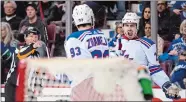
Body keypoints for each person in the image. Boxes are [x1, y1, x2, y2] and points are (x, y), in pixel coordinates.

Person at [115, 12, 181, 99]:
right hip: (121, 90)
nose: (129, 28)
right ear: (123, 27)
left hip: (140, 89)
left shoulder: (147, 44)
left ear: (137, 27)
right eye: (127, 25)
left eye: (132, 25)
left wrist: (167, 85)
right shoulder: (117, 43)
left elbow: (155, 69)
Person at [4, 27, 42, 102]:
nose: (34, 39)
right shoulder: (19, 48)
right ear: (25, 37)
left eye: (36, 37)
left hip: (28, 88)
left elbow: (37, 71)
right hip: (13, 86)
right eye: (31, 36)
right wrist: (33, 47)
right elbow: (21, 55)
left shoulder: (37, 55)